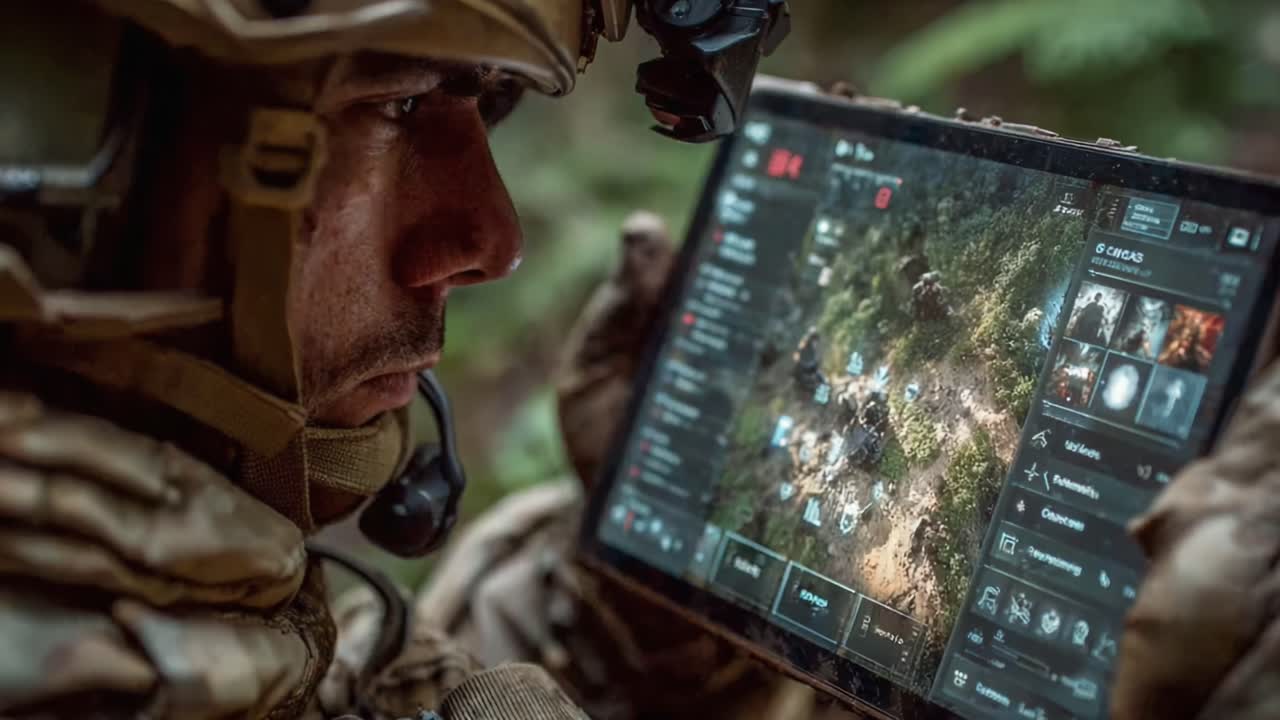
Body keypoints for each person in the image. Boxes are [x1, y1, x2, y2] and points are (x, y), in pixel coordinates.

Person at [0, 4, 1277, 720]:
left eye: (486, 108)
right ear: (76, 144)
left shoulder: (187, 634)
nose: (487, 238)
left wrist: (632, 604)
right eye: (396, 107)